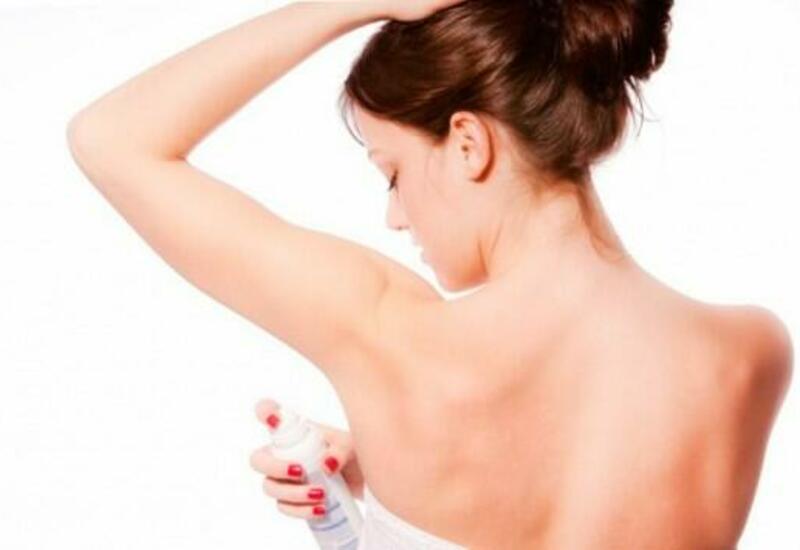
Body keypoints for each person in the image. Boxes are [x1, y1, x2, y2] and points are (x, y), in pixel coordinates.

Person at [67, 1, 793, 548]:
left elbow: (111, 140)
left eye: (392, 173)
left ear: (468, 142)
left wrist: (352, 3)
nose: (395, 215)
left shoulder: (386, 332)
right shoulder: (748, 352)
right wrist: (378, 473)